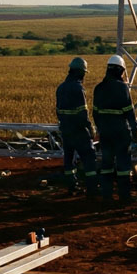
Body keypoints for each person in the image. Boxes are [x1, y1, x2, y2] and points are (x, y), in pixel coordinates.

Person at [93, 54, 137, 205]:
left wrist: (100, 129)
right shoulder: (122, 88)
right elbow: (129, 112)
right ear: (120, 70)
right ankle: (124, 196)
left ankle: (107, 195)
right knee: (123, 165)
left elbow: (95, 113)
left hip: (105, 132)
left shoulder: (99, 88)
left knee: (106, 164)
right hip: (120, 132)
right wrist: (134, 130)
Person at [55, 57, 98, 197]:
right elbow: (82, 113)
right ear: (80, 72)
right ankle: (92, 189)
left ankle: (71, 186)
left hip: (66, 130)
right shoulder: (78, 88)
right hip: (79, 131)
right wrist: (90, 128)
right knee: (89, 158)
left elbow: (59, 112)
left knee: (69, 160)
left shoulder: (60, 88)